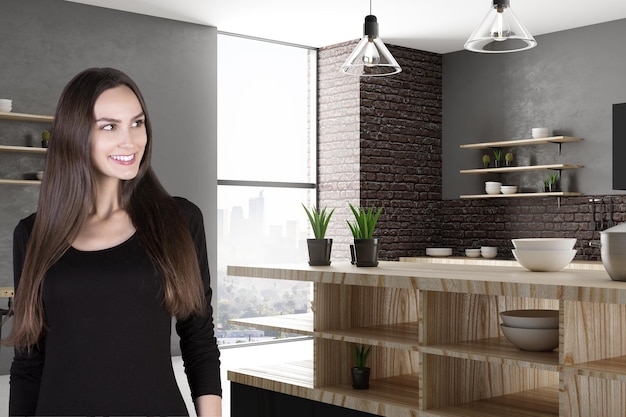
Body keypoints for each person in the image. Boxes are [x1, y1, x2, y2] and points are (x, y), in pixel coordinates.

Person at [5, 67, 222, 416]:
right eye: (109, 126)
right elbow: (29, 361)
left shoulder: (179, 220)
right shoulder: (33, 235)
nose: (130, 140)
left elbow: (199, 339)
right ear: (76, 135)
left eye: (137, 123)